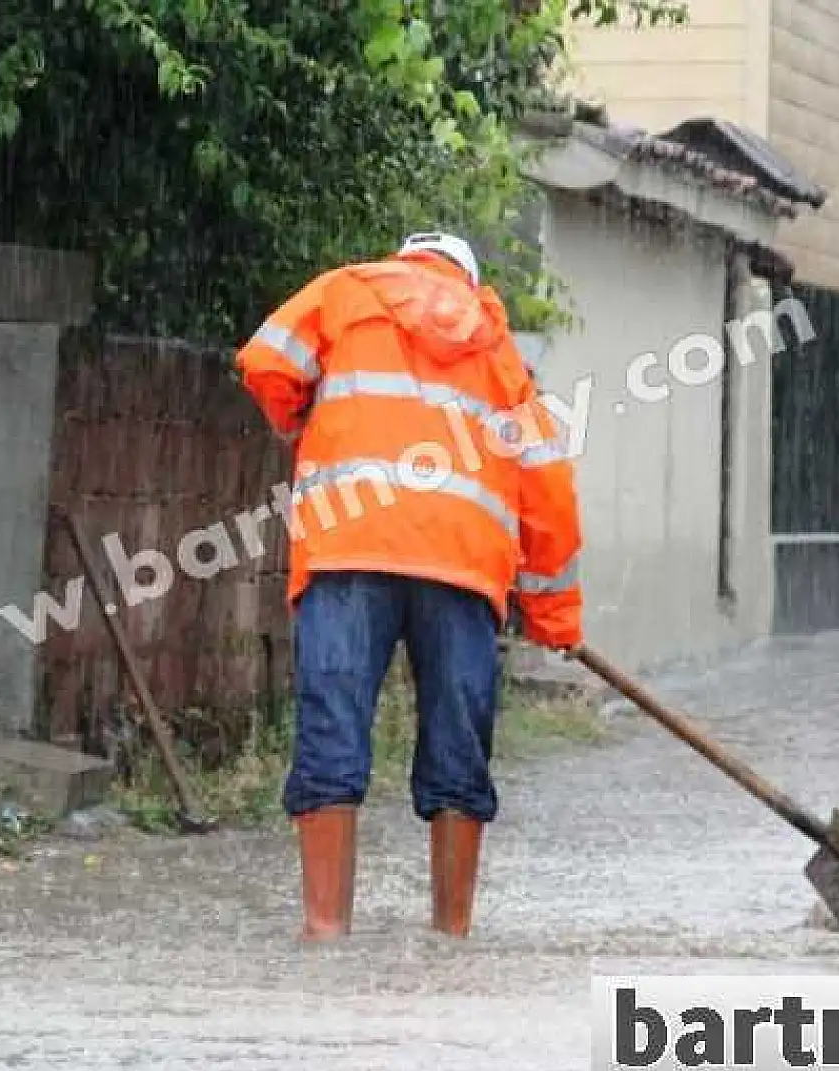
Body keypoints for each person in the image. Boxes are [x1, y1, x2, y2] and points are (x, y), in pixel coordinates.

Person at [235, 231, 585, 941]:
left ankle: (325, 928)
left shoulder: (345, 291)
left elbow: (267, 359)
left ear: (405, 260)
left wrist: (296, 419)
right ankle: (450, 932)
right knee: (459, 744)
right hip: (459, 568)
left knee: (332, 726)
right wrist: (552, 614)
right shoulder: (498, 351)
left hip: (349, 548)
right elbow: (546, 488)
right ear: (466, 277)